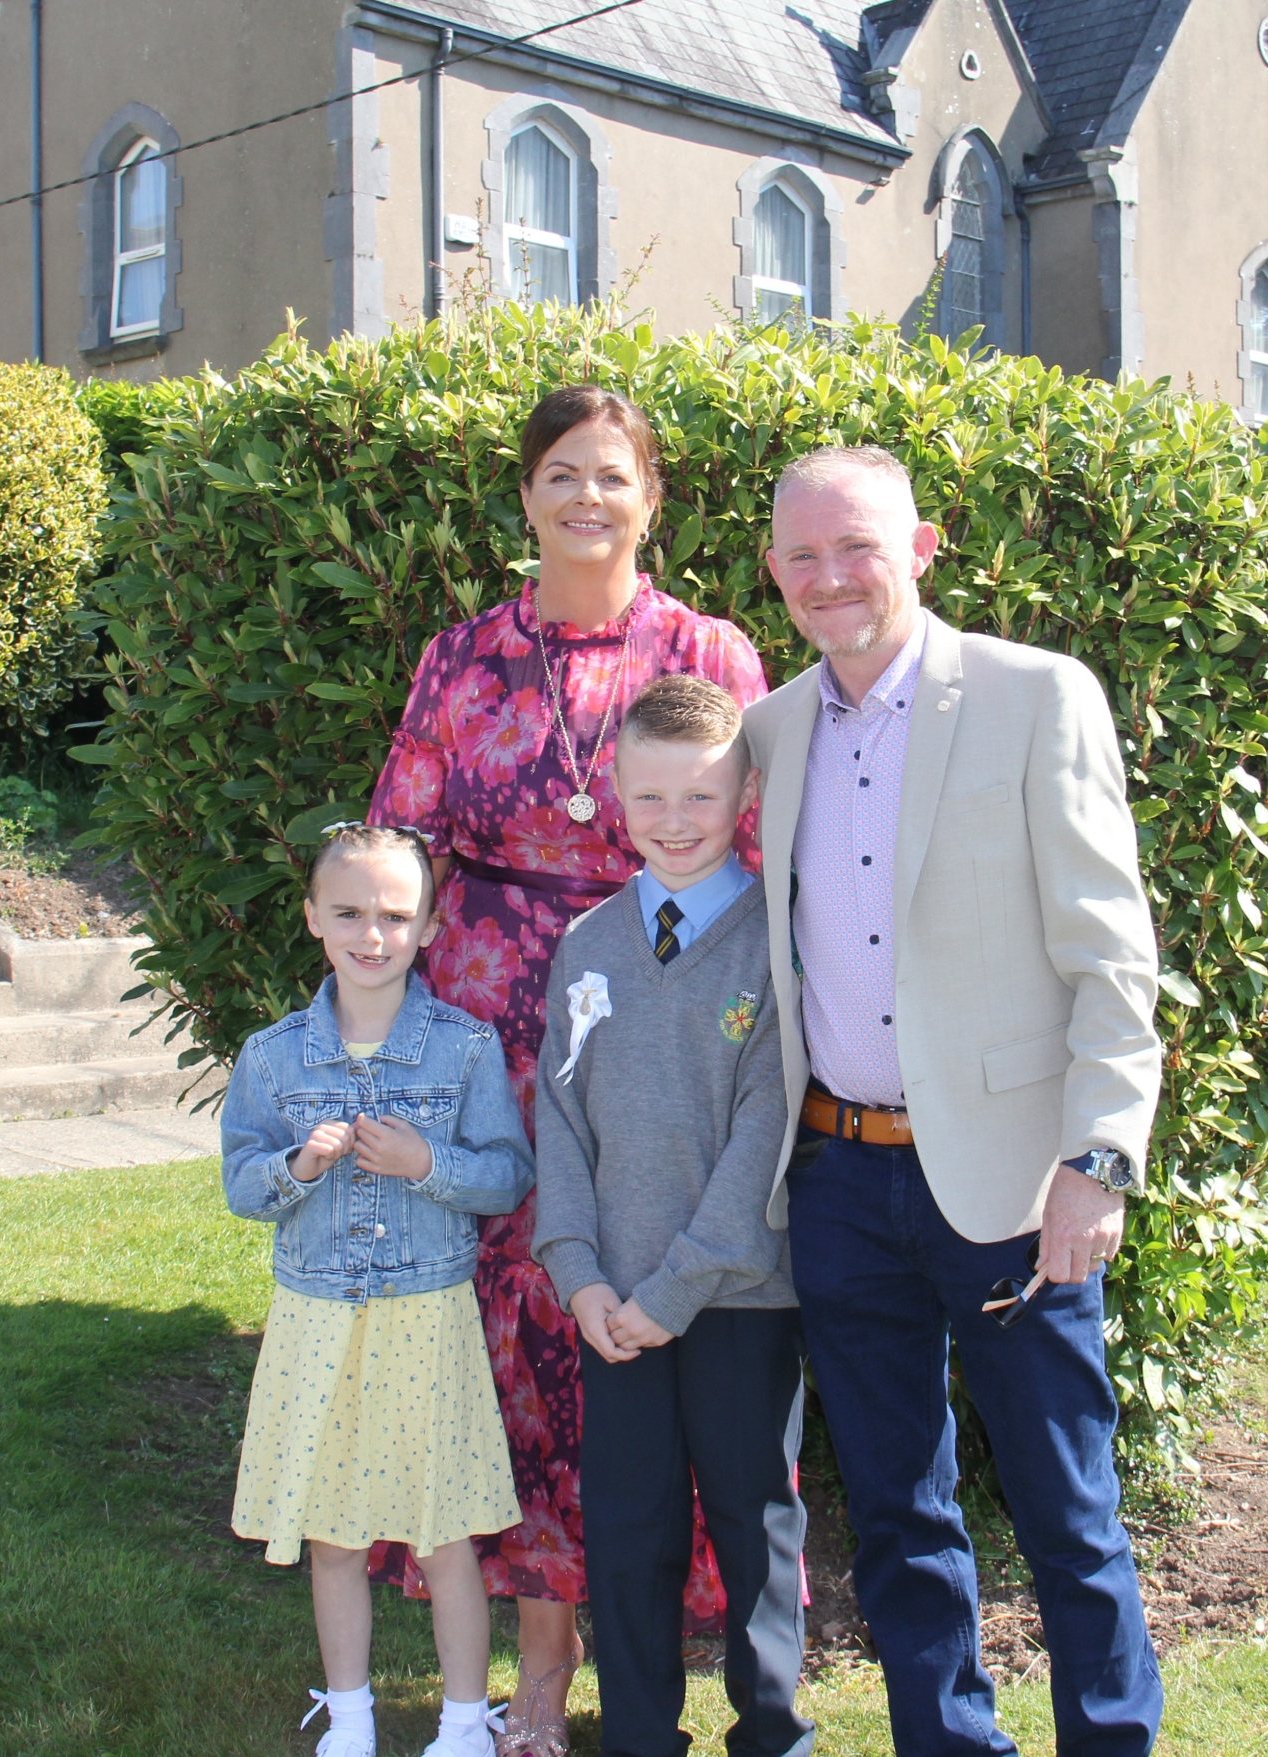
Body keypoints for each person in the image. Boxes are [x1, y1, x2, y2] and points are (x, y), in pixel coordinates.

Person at [742, 446, 1167, 1755]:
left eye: (857, 546)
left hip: (1014, 1180)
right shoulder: (774, 729)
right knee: (897, 1514)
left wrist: (1099, 1158)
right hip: (838, 1179)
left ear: (921, 550)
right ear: (773, 571)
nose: (829, 577)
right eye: (803, 556)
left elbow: (1111, 953)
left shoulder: (1036, 696)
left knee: (1067, 1511)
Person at [367, 385, 767, 1755]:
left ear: (650, 496)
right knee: (514, 1346)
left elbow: (752, 851)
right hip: (485, 1037)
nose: (586, 497)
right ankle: (537, 1670)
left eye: (611, 474)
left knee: (634, 1325)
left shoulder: (709, 652)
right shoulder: (462, 656)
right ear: (526, 495)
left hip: (654, 1032)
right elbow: (402, 847)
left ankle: (657, 1650)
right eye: (560, 474)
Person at [532, 674, 811, 1757]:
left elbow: (765, 1131)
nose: (675, 820)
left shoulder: (774, 940)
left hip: (737, 1296)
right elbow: (560, 1117)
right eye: (650, 797)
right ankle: (641, 1735)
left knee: (754, 1523)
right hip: (612, 1308)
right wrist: (578, 1272)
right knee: (629, 1529)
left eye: (700, 795)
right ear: (616, 795)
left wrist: (675, 1288)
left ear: (745, 794)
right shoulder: (589, 943)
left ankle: (772, 1733)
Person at [221, 823, 536, 1757]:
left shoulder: (463, 1049)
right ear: (313, 917)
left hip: (425, 1321)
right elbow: (241, 1185)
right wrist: (297, 1167)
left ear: (430, 926)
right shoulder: (272, 1057)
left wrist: (426, 1162)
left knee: (444, 1534)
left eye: (396, 915)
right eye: (350, 912)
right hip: (317, 1322)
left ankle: (462, 1723)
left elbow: (507, 1176)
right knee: (334, 1535)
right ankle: (351, 1718)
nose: (373, 934)